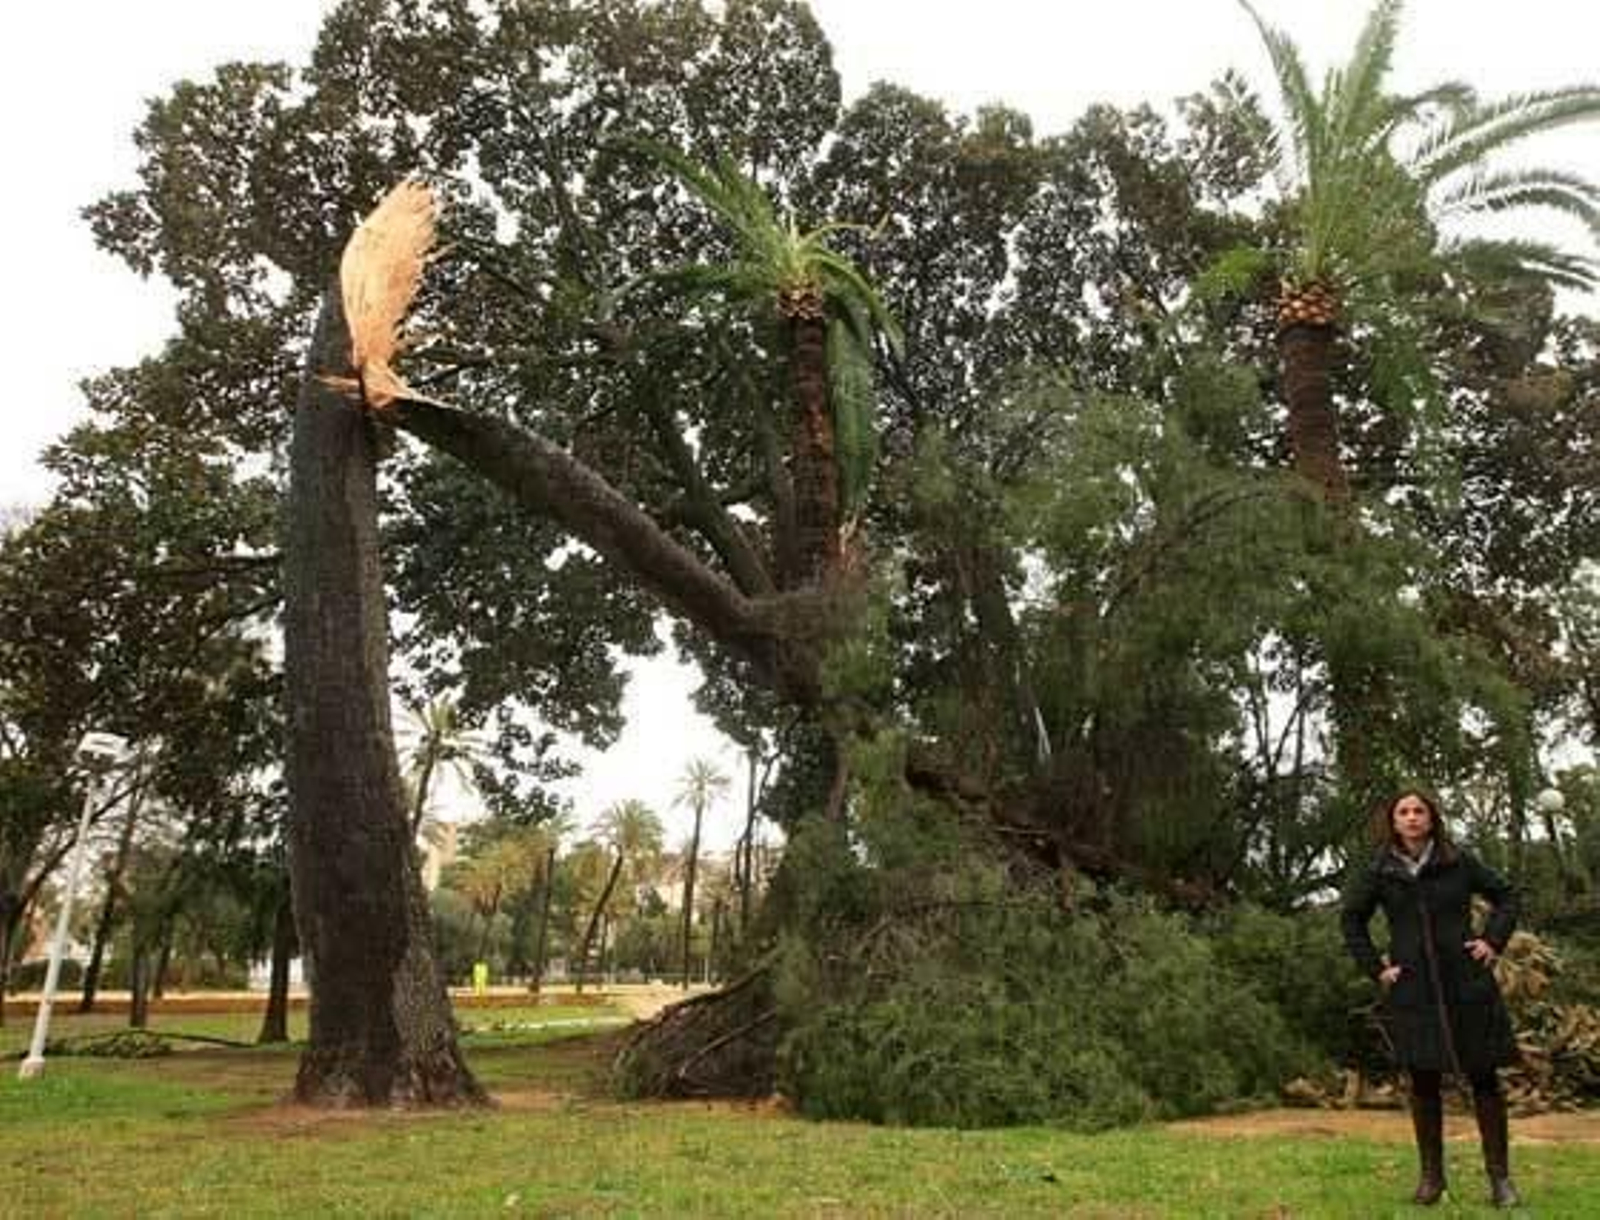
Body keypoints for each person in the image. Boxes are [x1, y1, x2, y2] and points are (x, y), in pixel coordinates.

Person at [1341, 788, 1522, 1208]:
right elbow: (1352, 919)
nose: (1411, 817)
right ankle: (1431, 1180)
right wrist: (1377, 968)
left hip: (1467, 985)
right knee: (1422, 1081)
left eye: (1419, 810)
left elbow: (1507, 896)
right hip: (1414, 989)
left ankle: (1500, 1181)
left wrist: (1492, 942)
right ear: (1393, 821)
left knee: (1484, 1079)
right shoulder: (1379, 870)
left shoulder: (1457, 863)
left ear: (1432, 818)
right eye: (1403, 811)